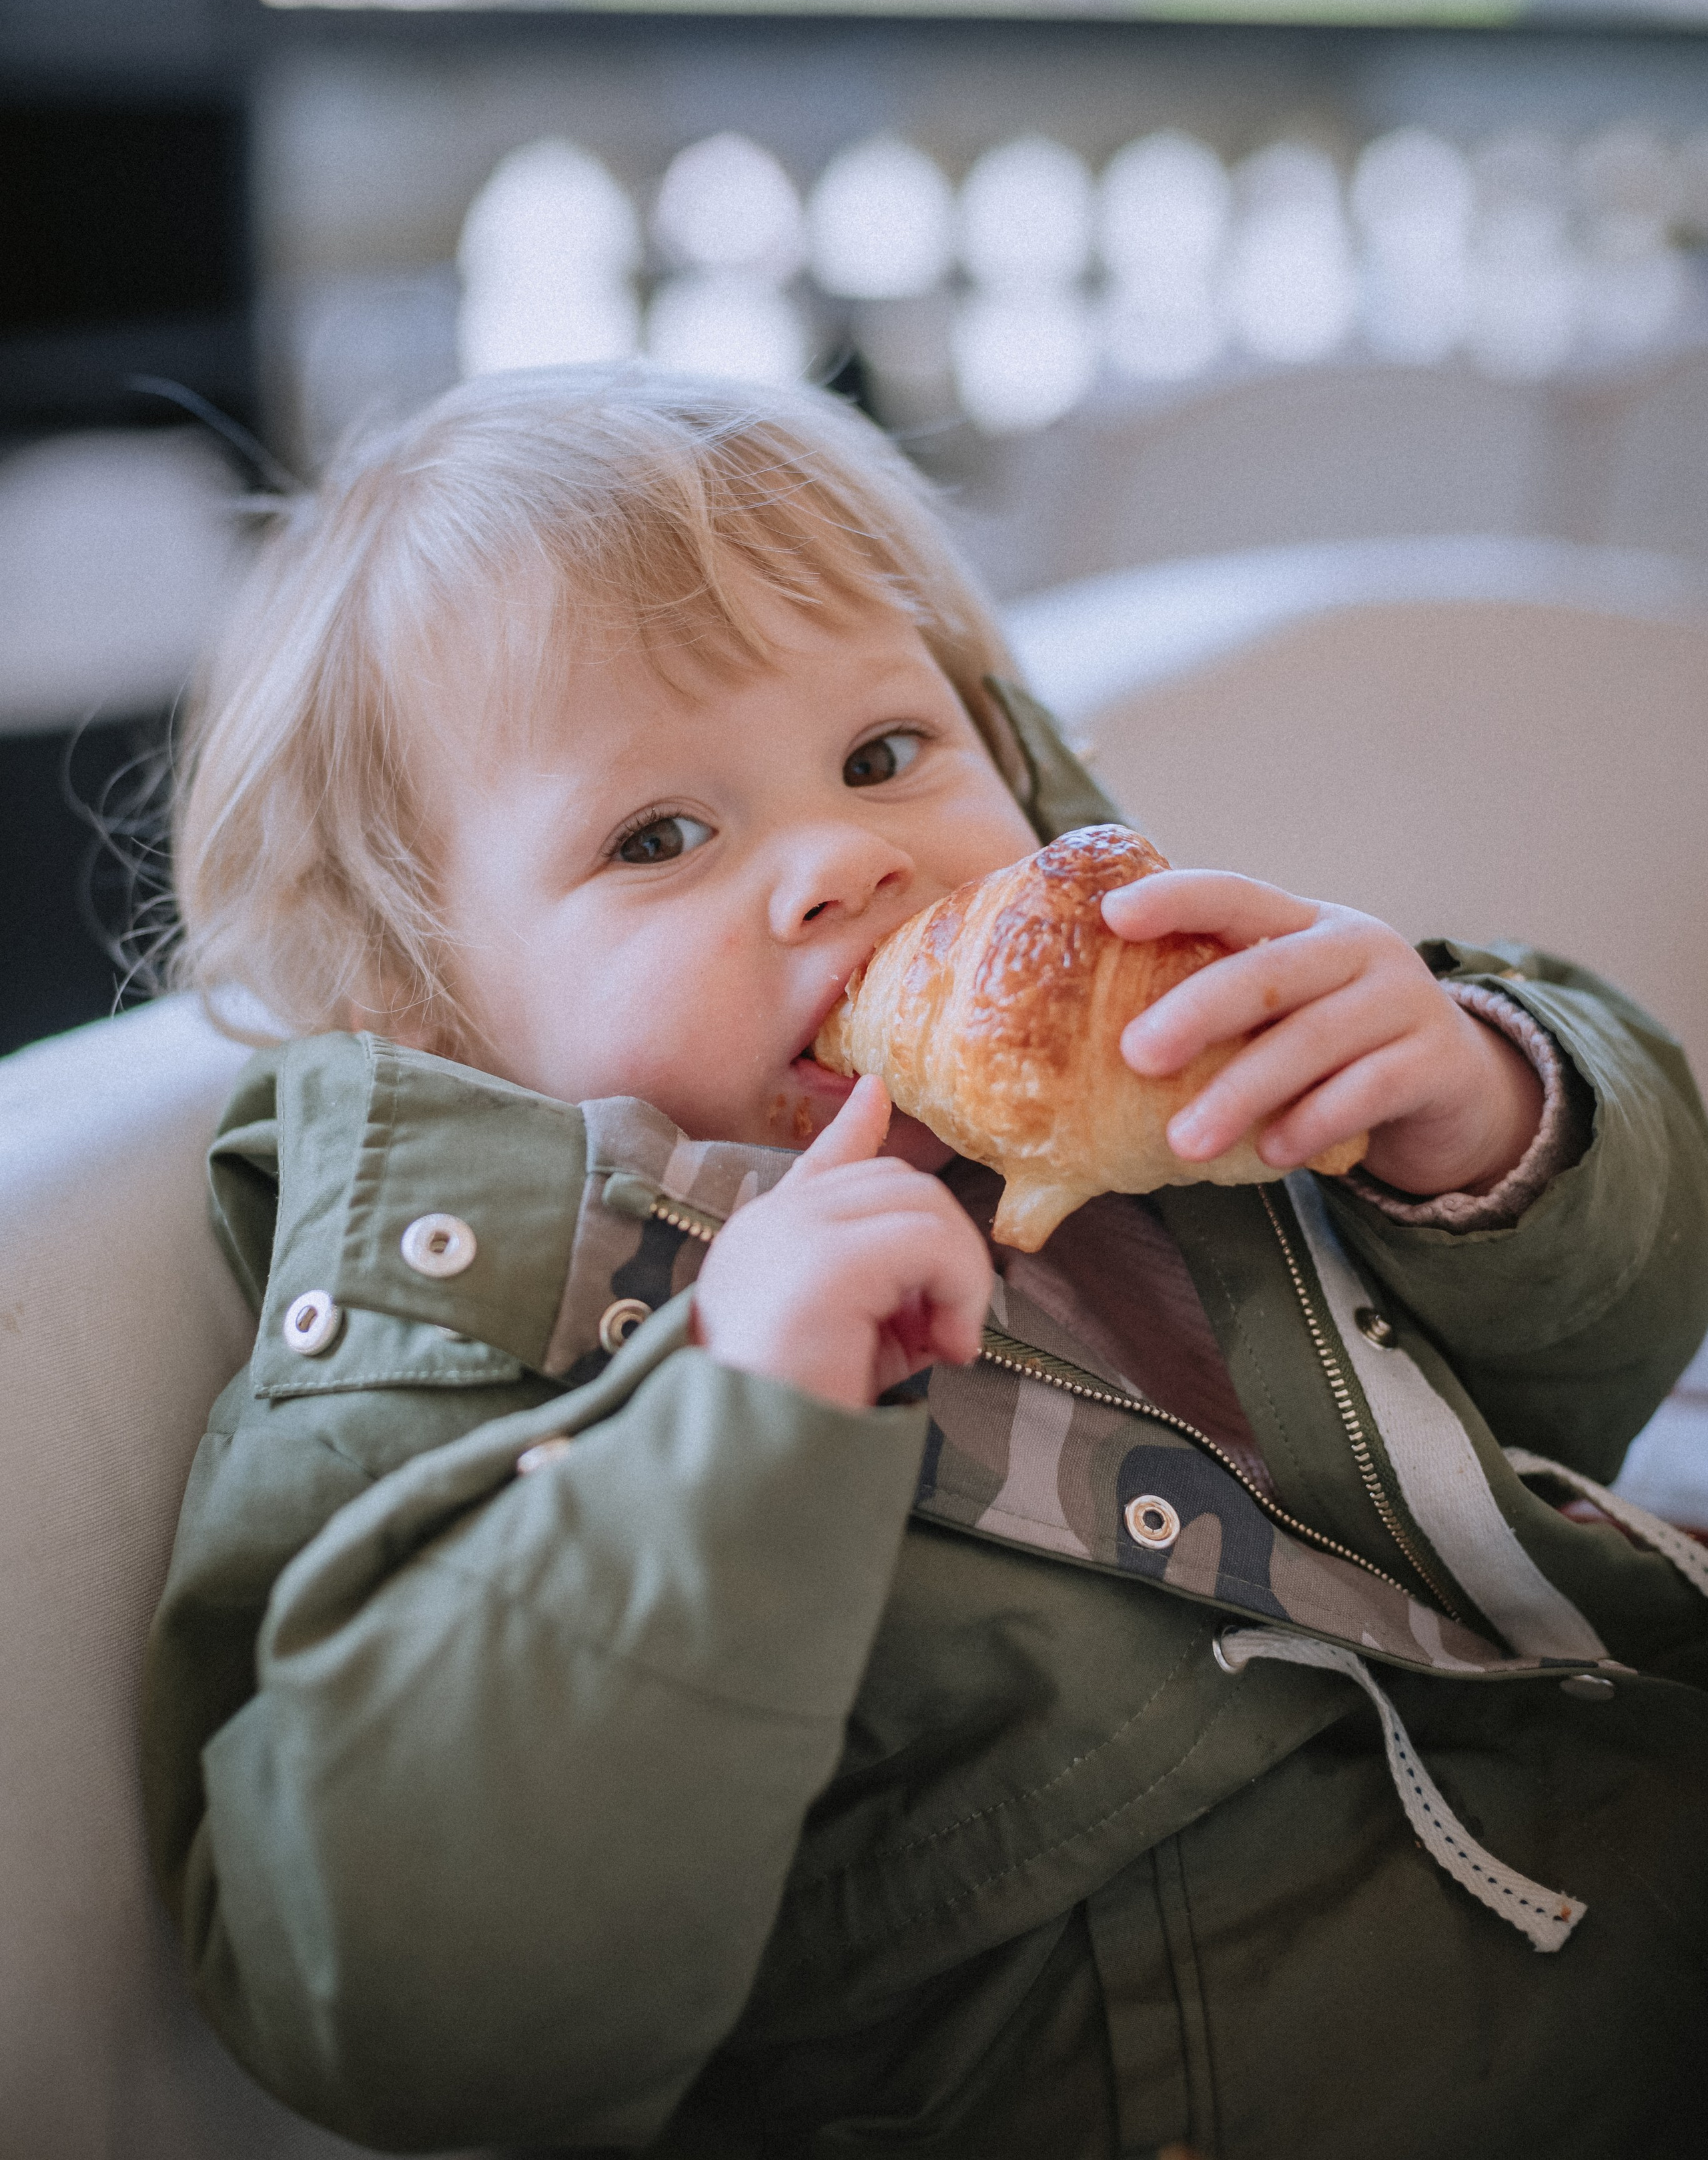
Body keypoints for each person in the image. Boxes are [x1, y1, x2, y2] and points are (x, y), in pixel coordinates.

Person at [143, 367, 1708, 2160]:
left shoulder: (1169, 1085)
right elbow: (401, 1995)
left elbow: (1585, 1377)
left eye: (885, 754)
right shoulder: (456, 1340)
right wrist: (731, 1442)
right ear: (431, 1009)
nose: (843, 860)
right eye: (659, 834)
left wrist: (1496, 1114)